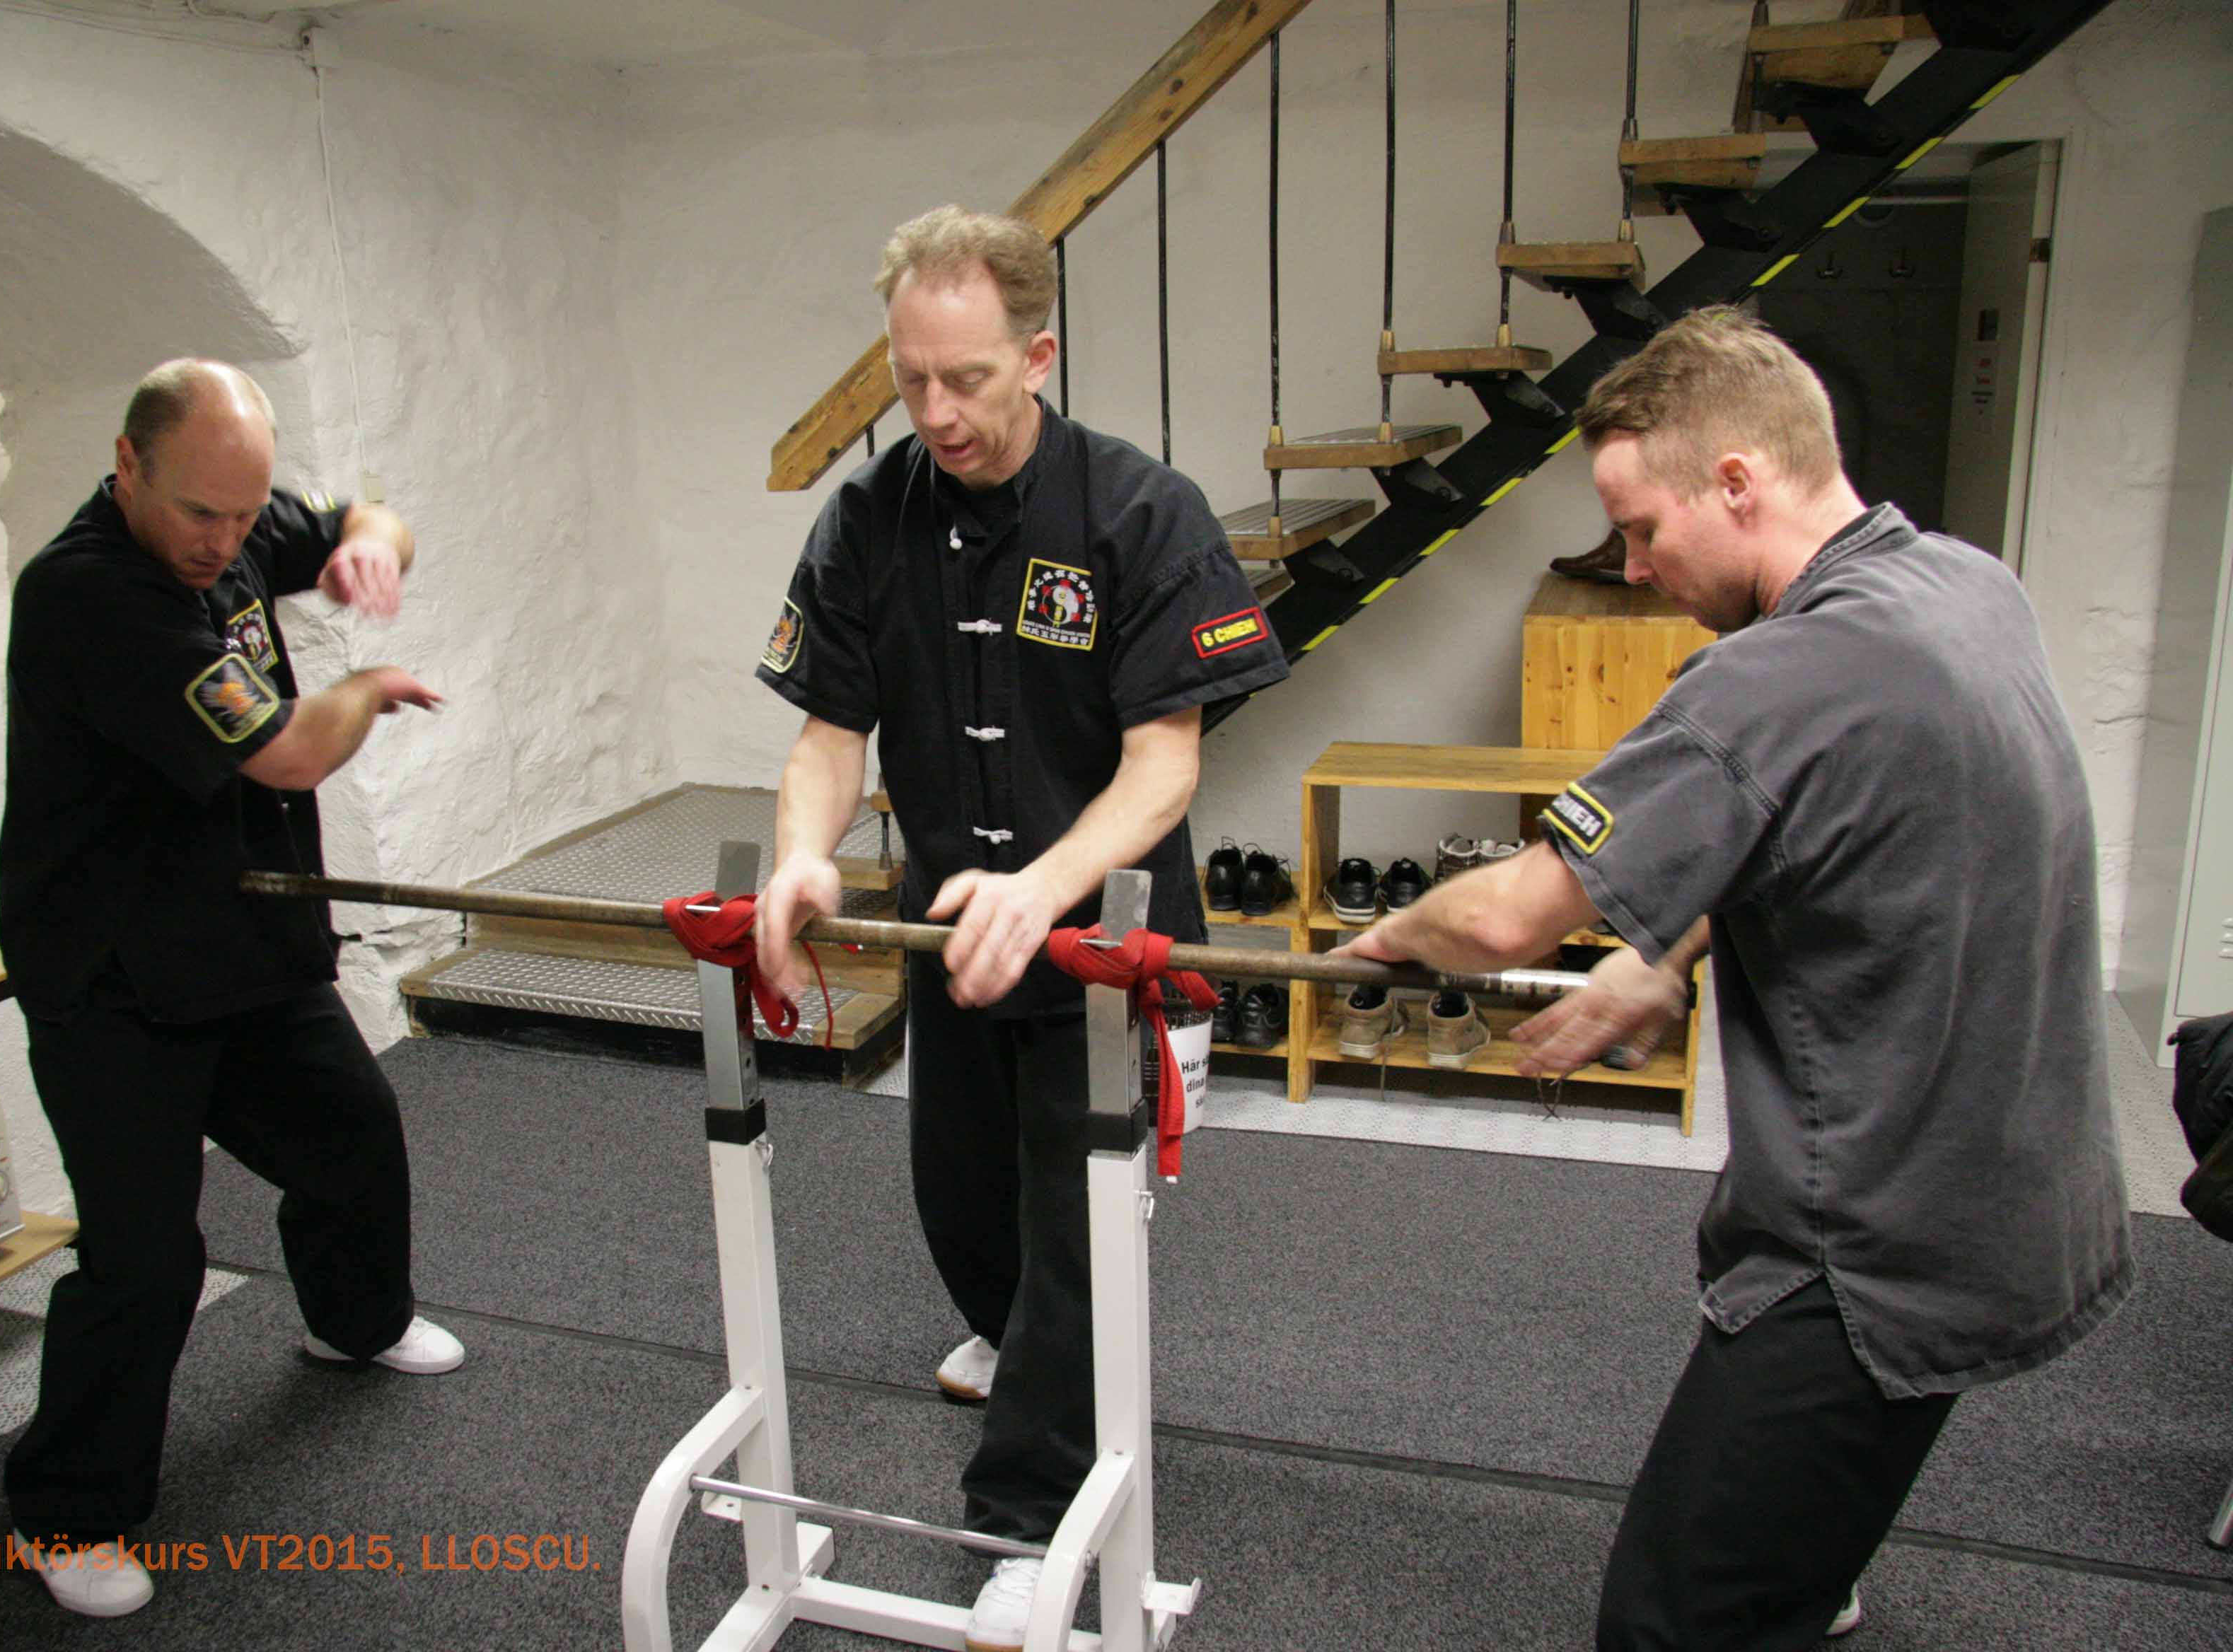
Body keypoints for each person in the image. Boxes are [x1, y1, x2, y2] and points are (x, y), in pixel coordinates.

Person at [1339, 306, 2133, 1650]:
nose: (1635, 570)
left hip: (1880, 1245)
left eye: (1644, 529)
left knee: (1669, 1620)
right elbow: (1847, 819)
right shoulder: (1960, 584)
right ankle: (1807, 1564)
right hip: (2031, 1178)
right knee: (1794, 1544)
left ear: (1739, 482)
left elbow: (1510, 921)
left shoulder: (1765, 682)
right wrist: (1668, 949)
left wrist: (1396, 933)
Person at [752, 206, 1289, 1650]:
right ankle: (1041, 1349)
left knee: (1072, 1249)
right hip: (956, 957)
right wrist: (803, 857)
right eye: (911, 381)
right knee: (968, 1220)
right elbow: (826, 737)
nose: (937, 414)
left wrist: (1043, 887)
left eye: (970, 380)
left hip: (1108, 965)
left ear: (1038, 352)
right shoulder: (869, 517)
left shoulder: (1139, 511)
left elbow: (1167, 764)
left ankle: (1031, 1527)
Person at [0, 359, 463, 1617]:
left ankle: (353, 1324)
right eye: (199, 512)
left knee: (353, 1140)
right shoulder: (89, 596)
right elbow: (292, 751)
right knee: (147, 1261)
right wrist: (365, 684)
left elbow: (374, 516)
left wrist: (370, 545)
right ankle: (64, 1514)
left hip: (240, 942)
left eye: (244, 515)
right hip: (112, 982)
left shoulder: (239, 519)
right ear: (129, 463)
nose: (225, 541)